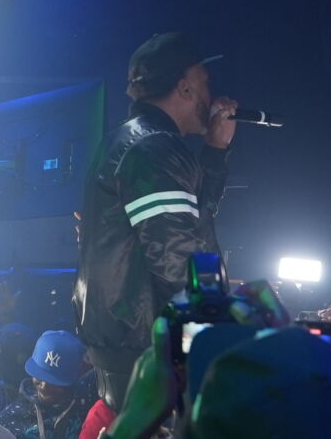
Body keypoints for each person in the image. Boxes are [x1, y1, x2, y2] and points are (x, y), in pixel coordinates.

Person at [73, 32, 238, 411]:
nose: (211, 94)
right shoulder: (153, 148)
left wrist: (215, 150)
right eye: (205, 82)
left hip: (131, 345)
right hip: (150, 348)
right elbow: (178, 259)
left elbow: (191, 222)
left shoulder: (132, 142)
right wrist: (216, 336)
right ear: (185, 87)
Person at [0, 330, 96, 439]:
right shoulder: (10, 418)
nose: (44, 386)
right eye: (39, 376)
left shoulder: (87, 400)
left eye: (54, 381)